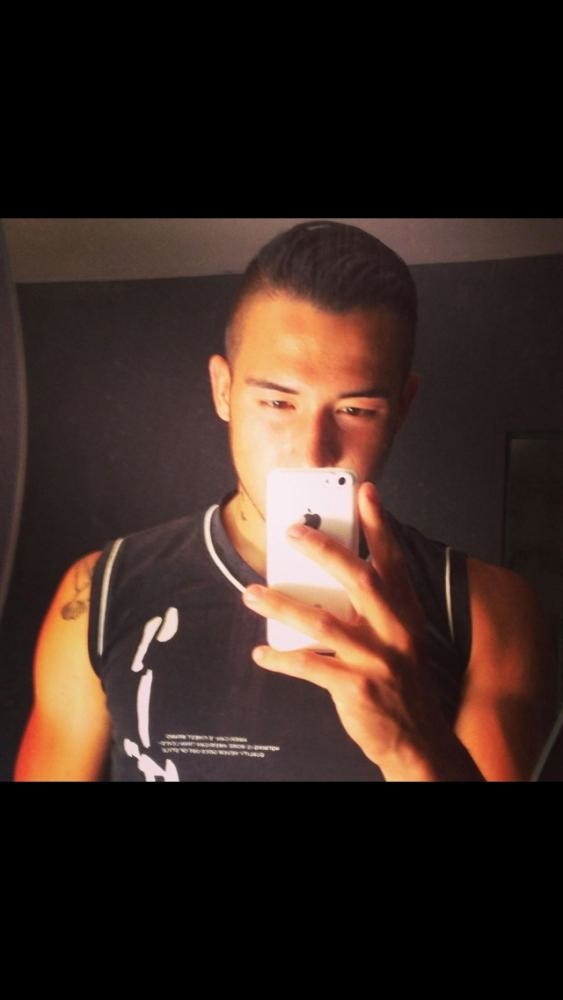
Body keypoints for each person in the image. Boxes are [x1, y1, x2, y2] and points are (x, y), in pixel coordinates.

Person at [14, 220, 557, 781]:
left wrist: (412, 747)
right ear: (223, 390)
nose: (312, 450)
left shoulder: (488, 610)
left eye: (355, 410)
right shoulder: (99, 593)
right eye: (277, 403)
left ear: (402, 407)